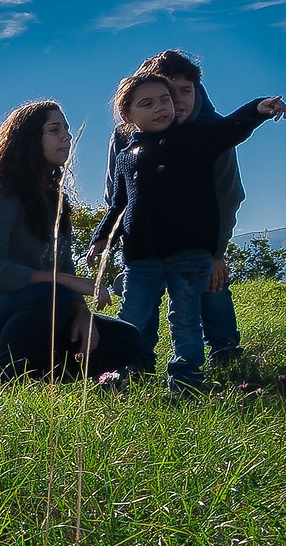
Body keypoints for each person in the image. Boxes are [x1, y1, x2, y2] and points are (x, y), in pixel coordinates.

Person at [90, 73, 286, 387]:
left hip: (190, 252)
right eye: (147, 103)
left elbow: (230, 129)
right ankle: (116, 373)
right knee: (131, 317)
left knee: (185, 319)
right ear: (127, 115)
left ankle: (186, 379)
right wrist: (102, 238)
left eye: (165, 100)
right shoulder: (127, 156)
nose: (161, 107)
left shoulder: (197, 139)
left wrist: (258, 109)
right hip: (140, 257)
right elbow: (118, 204)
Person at [0, 101, 149, 380]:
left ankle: (39, 375)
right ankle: (5, 379)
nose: (67, 137)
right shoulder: (0, 194)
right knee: (52, 293)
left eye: (67, 130)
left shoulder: (55, 201)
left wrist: (81, 312)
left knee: (127, 339)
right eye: (54, 130)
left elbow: (64, 265)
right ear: (28, 140)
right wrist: (67, 283)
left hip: (39, 310)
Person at [103, 50, 248, 361]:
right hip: (146, 244)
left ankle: (226, 353)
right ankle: (136, 362)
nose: (177, 101)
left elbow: (229, 194)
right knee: (141, 298)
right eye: (167, 92)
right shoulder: (126, 138)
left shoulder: (210, 132)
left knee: (211, 283)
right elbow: (117, 193)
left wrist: (218, 251)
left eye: (186, 90)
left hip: (199, 240)